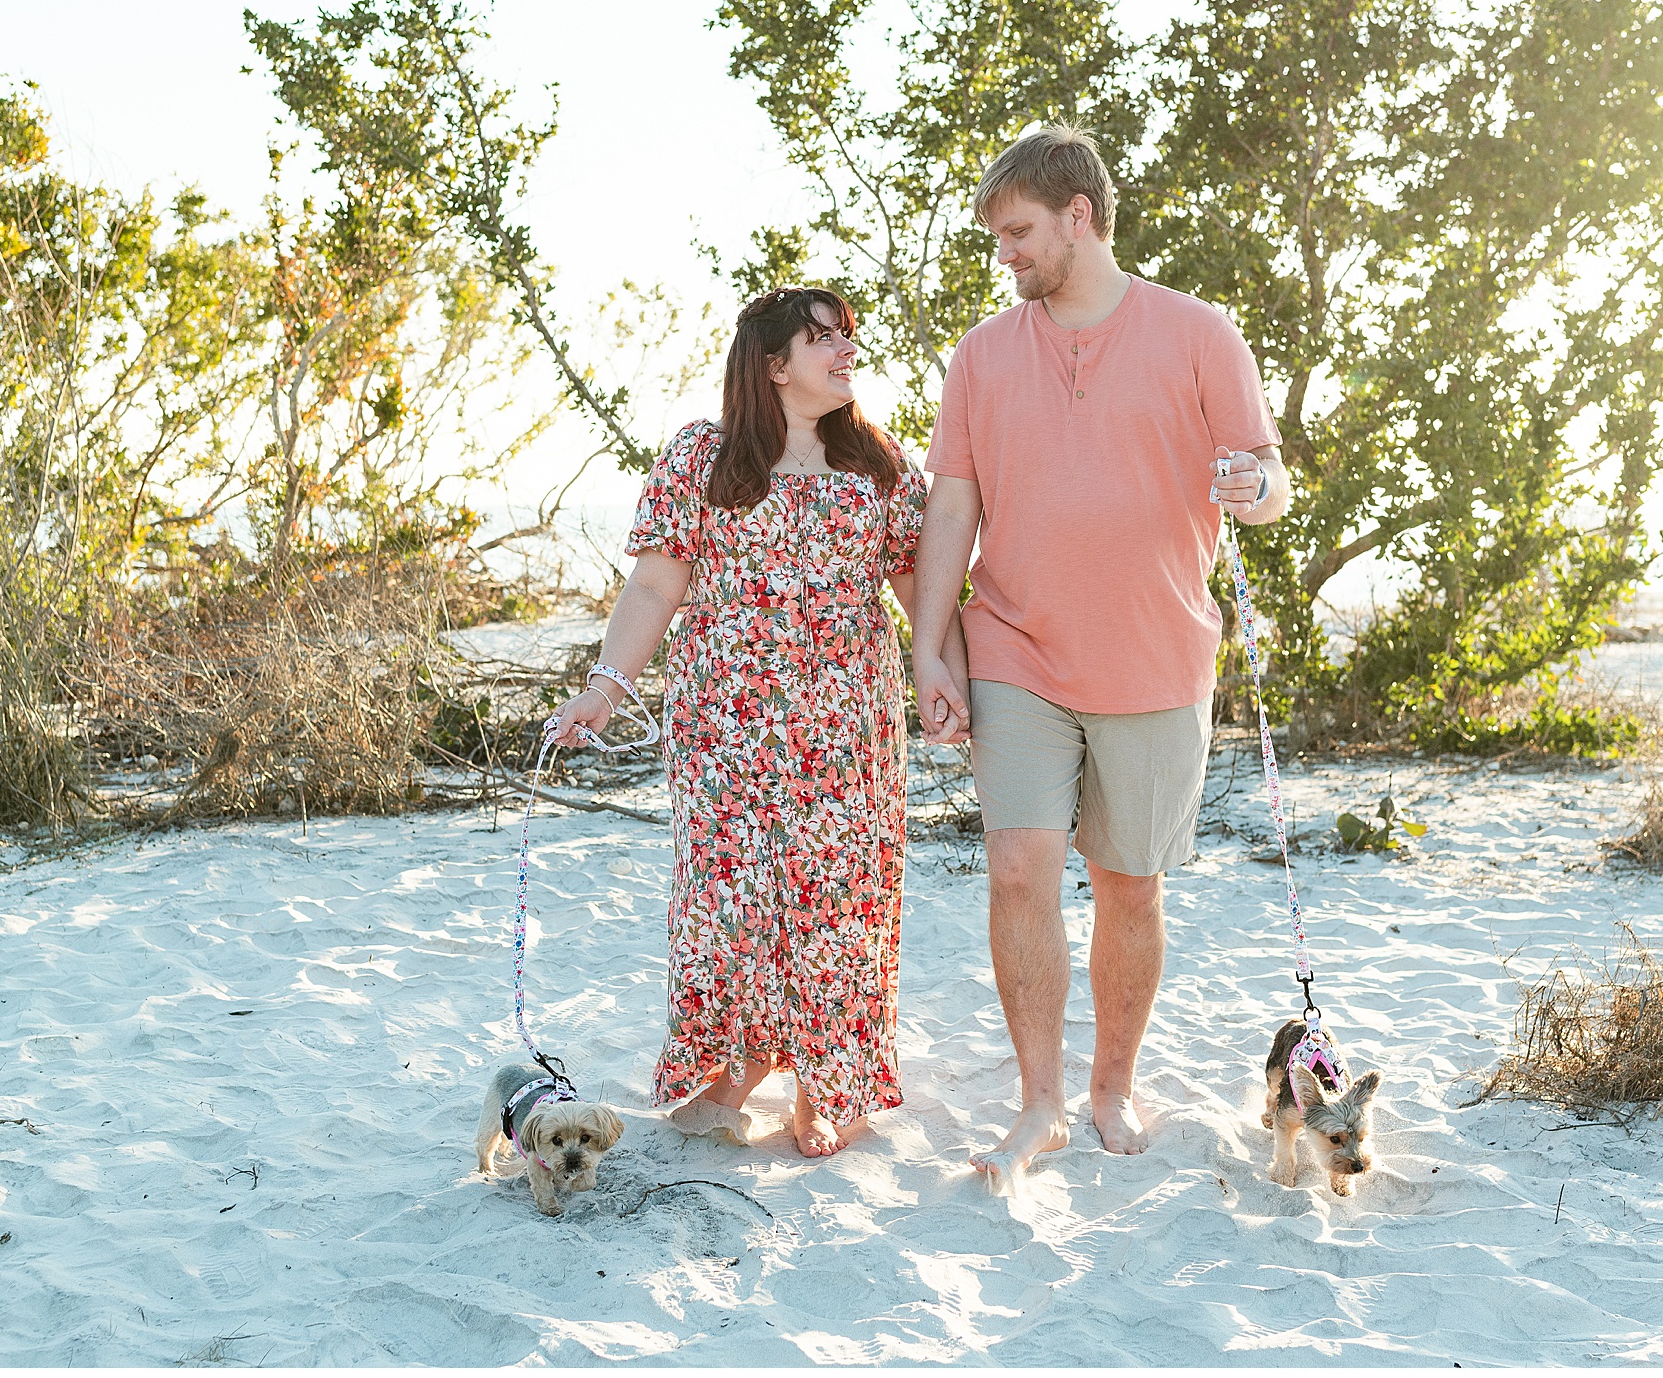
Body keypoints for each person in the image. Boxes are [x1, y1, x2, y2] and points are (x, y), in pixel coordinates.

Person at [909, 124, 1291, 1189]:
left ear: (1081, 217)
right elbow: (953, 506)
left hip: (1156, 657)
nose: (1007, 254)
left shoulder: (1201, 334)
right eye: (998, 237)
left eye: (1020, 232)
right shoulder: (982, 355)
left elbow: (1266, 475)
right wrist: (930, 646)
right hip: (1016, 648)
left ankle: (1110, 1086)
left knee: (1128, 884)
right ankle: (1040, 1097)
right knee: (1019, 865)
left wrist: (1258, 491)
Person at [549, 286, 969, 1158]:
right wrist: (604, 687)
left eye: (848, 338)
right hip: (725, 728)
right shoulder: (702, 456)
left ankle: (826, 1081)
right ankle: (731, 1071)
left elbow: (921, 595)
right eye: (824, 341)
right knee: (727, 902)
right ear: (774, 366)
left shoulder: (878, 467)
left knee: (840, 903)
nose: (846, 352)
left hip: (845, 732)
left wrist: (949, 681)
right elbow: (658, 585)